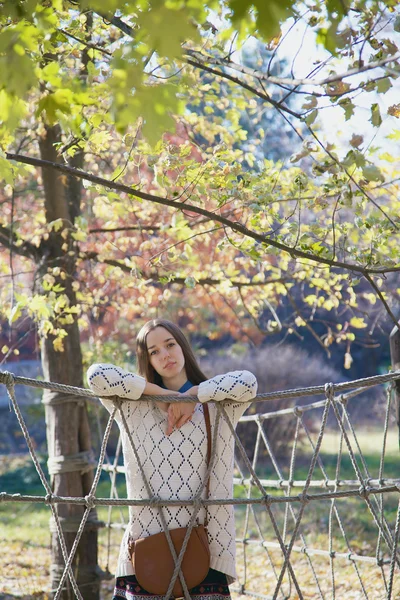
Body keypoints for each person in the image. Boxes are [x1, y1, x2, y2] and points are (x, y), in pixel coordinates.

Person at [87, 318, 257, 600]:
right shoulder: (131, 407)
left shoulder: (218, 406)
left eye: (170, 344)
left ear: (183, 347)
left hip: (205, 543)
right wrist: (160, 394)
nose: (165, 355)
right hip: (146, 545)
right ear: (147, 360)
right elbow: (96, 375)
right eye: (153, 351)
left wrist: (191, 396)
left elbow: (247, 383)